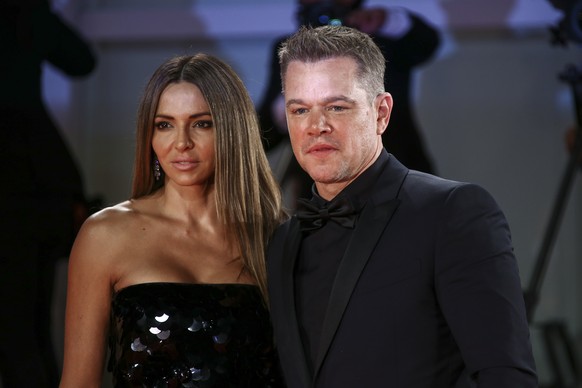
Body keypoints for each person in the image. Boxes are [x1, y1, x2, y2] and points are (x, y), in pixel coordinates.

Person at [266, 25, 538, 387]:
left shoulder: (451, 212)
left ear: (381, 113)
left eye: (336, 106)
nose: (317, 126)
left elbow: (505, 373)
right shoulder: (281, 241)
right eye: (300, 110)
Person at [59, 53, 288, 387]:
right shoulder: (104, 235)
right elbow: (79, 382)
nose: (181, 143)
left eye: (201, 123)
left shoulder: (276, 235)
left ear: (232, 131)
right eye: (164, 125)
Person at [258, 0, 440, 209]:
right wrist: (285, 111)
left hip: (396, 187)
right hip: (322, 200)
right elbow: (266, 134)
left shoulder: (385, 40)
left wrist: (387, 20)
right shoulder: (288, 52)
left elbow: (427, 42)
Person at [0, 0, 96, 386]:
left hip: (25, 187)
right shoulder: (24, 14)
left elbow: (82, 61)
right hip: (38, 179)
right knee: (29, 329)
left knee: (19, 331)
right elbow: (80, 60)